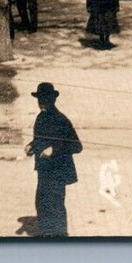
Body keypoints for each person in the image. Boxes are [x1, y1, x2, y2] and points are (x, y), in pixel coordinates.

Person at [26, 82, 82, 237]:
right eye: (40, 100)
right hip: (44, 171)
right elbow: (39, 140)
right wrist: (31, 146)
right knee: (41, 204)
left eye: (45, 99)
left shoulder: (61, 120)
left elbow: (77, 146)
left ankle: (60, 237)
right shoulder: (40, 118)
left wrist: (54, 150)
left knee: (55, 206)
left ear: (53, 100)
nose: (42, 103)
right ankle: (45, 235)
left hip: (58, 172)